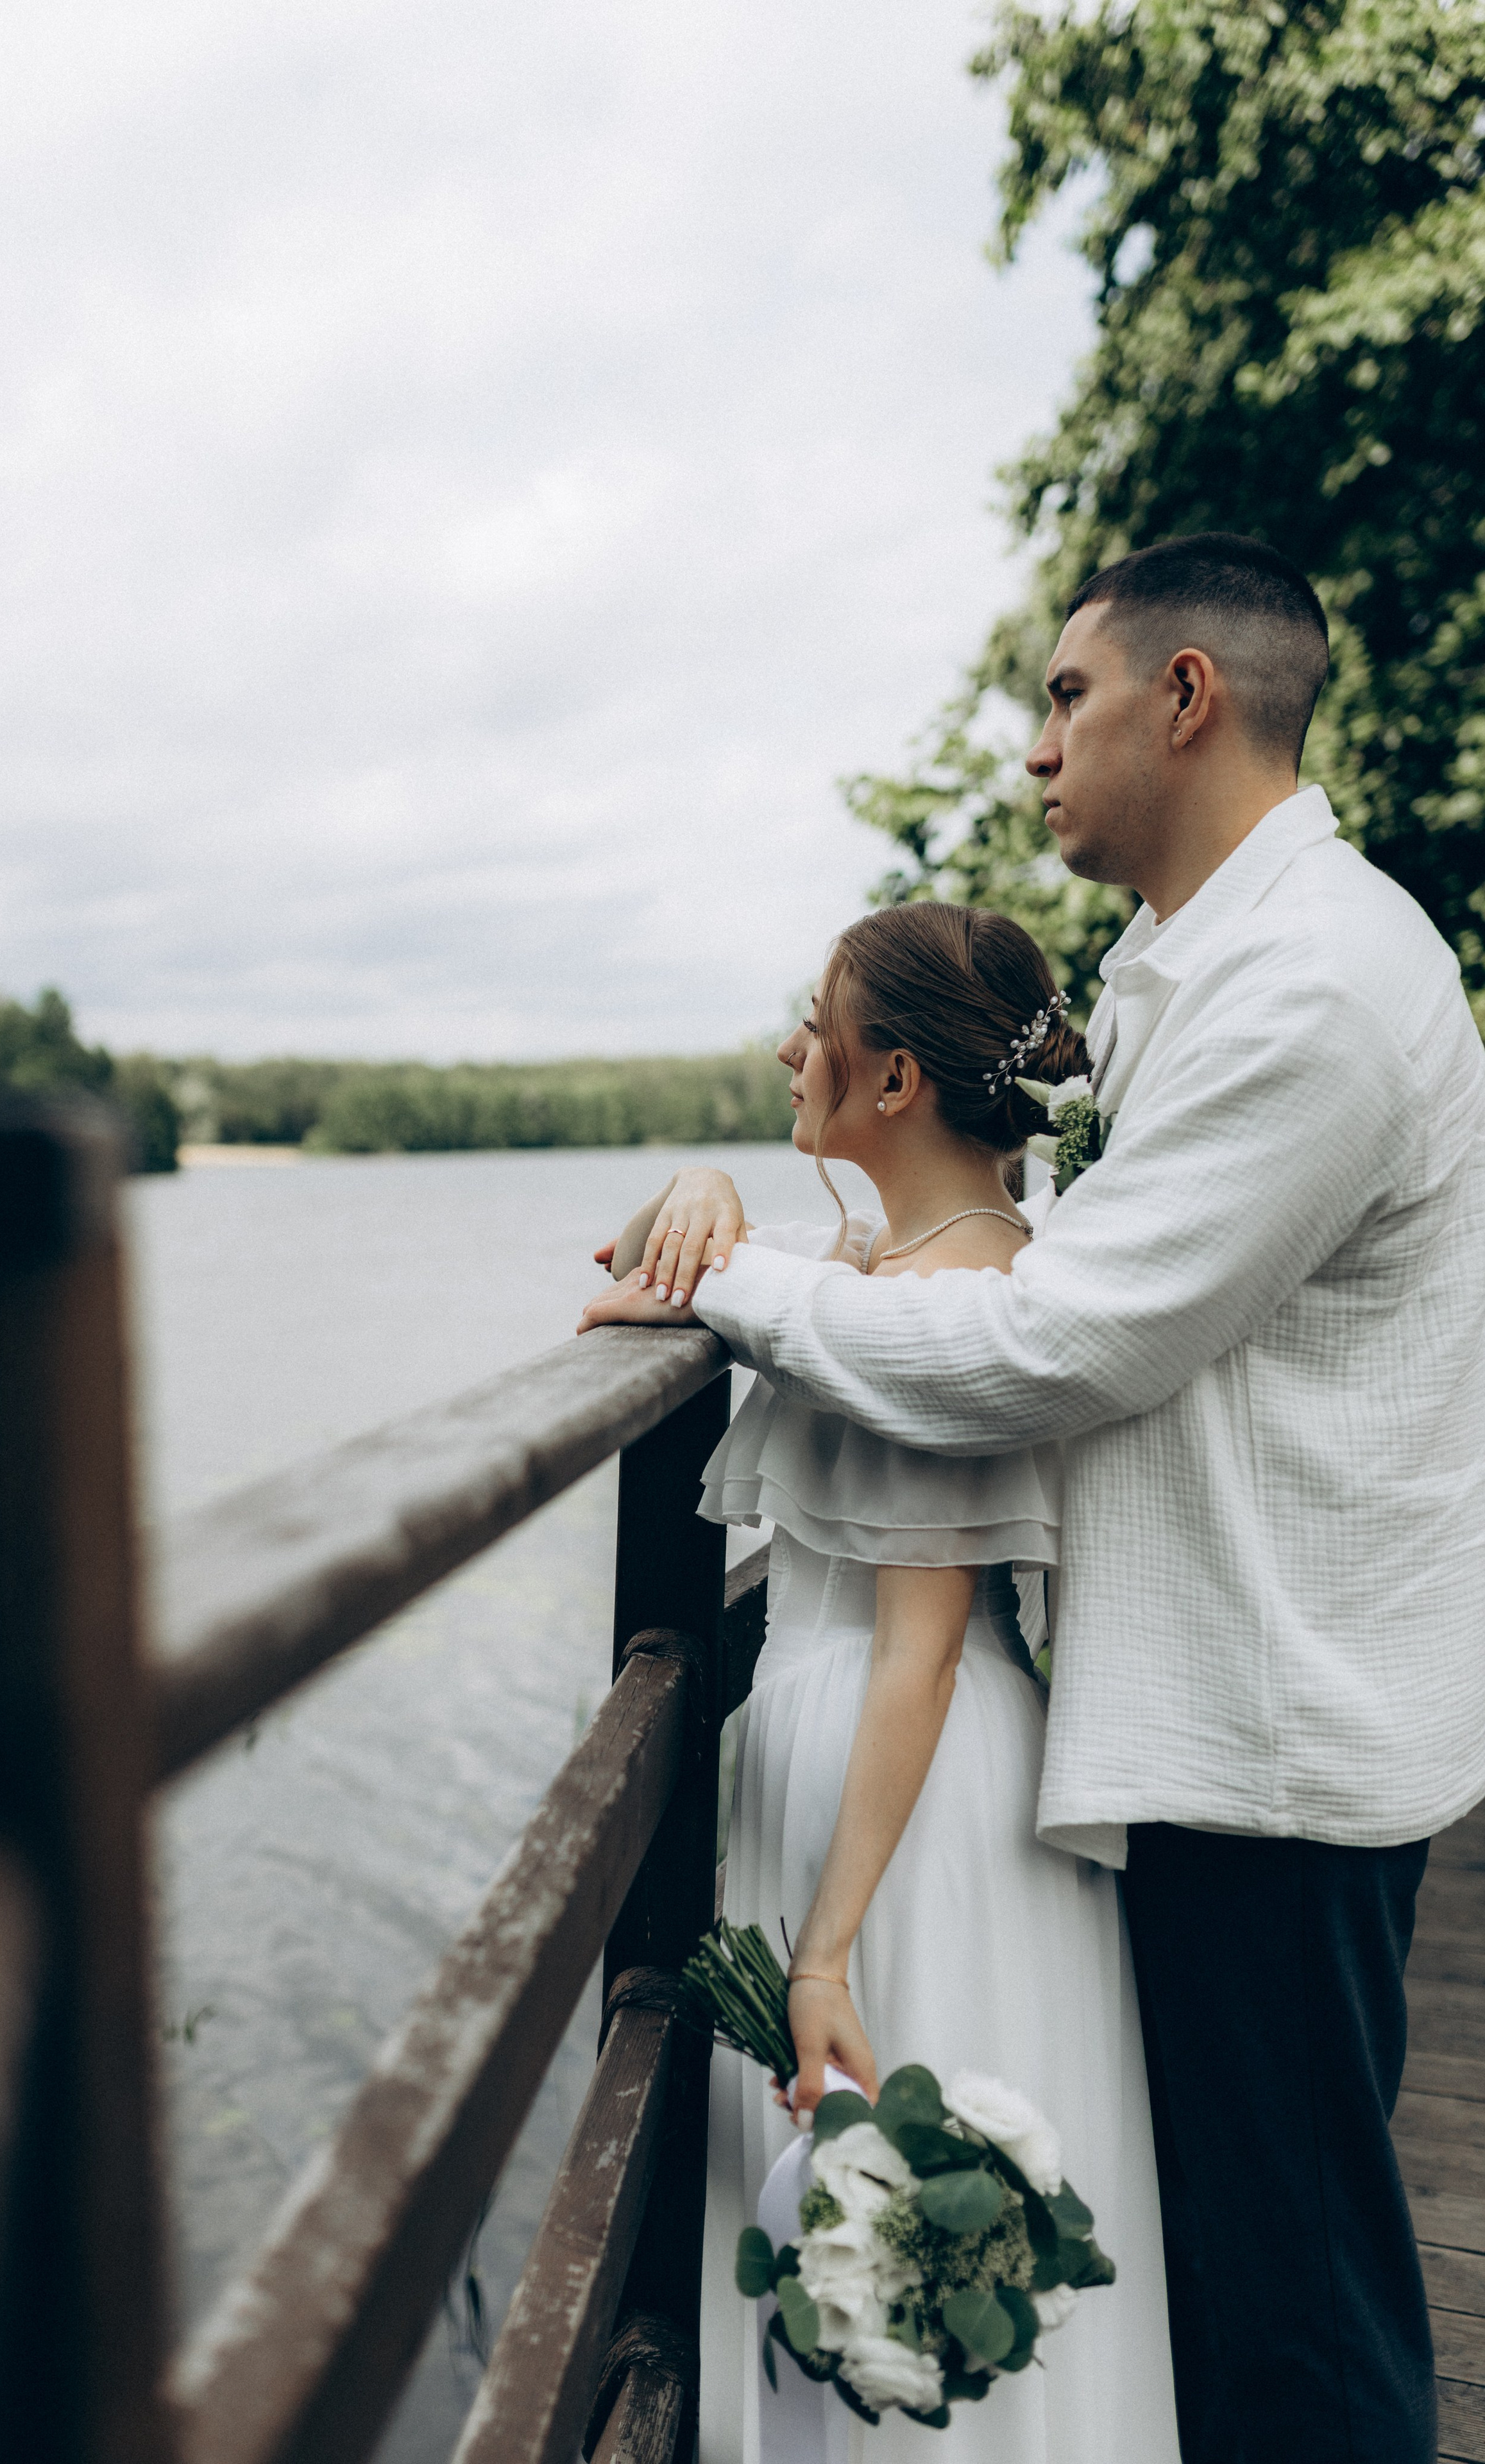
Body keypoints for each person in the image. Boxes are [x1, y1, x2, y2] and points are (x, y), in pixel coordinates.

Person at [581, 533, 1485, 2464]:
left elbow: (1053, 1345)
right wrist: (769, 1231)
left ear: (1188, 698)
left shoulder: (1312, 985)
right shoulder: (1202, 964)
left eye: (1065, 699)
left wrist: (724, 1285)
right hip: (1211, 1708)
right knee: (1237, 2285)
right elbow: (1023, 1260)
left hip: (1274, 1731)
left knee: (1300, 2312)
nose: (1034, 751)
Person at [643, 902, 1179, 2464]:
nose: (789, 1048)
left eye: (818, 1023)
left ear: (891, 1085)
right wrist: (700, 1186)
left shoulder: (951, 1311)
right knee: (876, 2218)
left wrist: (821, 1951)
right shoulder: (906, 1259)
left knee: (895, 2183)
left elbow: (921, 1647)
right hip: (882, 1759)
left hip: (900, 1795)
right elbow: (688, 1261)